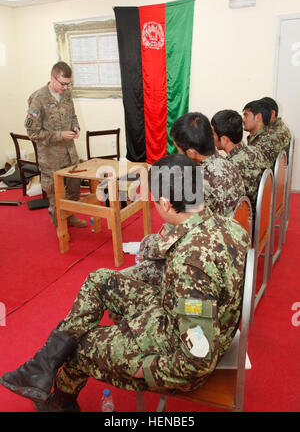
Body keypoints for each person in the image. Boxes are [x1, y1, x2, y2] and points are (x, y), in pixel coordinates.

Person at [0, 154, 250, 413]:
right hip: (175, 314)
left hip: (178, 353)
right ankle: (41, 366)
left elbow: (197, 361)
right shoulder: (229, 226)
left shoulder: (191, 264)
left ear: (164, 203)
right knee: (100, 280)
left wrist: (146, 369)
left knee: (81, 346)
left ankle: (60, 404)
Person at [25, 61, 87, 230]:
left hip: (70, 154)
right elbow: (33, 133)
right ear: (52, 78)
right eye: (62, 83)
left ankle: (71, 216)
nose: (65, 87)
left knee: (74, 190)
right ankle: (60, 226)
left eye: (68, 83)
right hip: (51, 158)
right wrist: (59, 135)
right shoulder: (37, 99)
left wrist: (76, 127)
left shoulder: (67, 94)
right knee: (56, 195)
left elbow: (73, 116)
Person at [170, 112, 246, 217]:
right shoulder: (227, 163)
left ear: (191, 152)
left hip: (218, 230)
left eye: (178, 149)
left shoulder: (197, 183)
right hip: (236, 228)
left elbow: (186, 222)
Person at [211, 109, 266, 212]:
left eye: (213, 134)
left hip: (244, 218)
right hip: (260, 212)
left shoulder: (230, 168)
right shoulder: (254, 151)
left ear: (224, 140)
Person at [242, 99, 283, 169]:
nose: (243, 119)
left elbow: (253, 170)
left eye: (246, 115)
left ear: (258, 117)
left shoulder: (266, 141)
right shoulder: (265, 136)